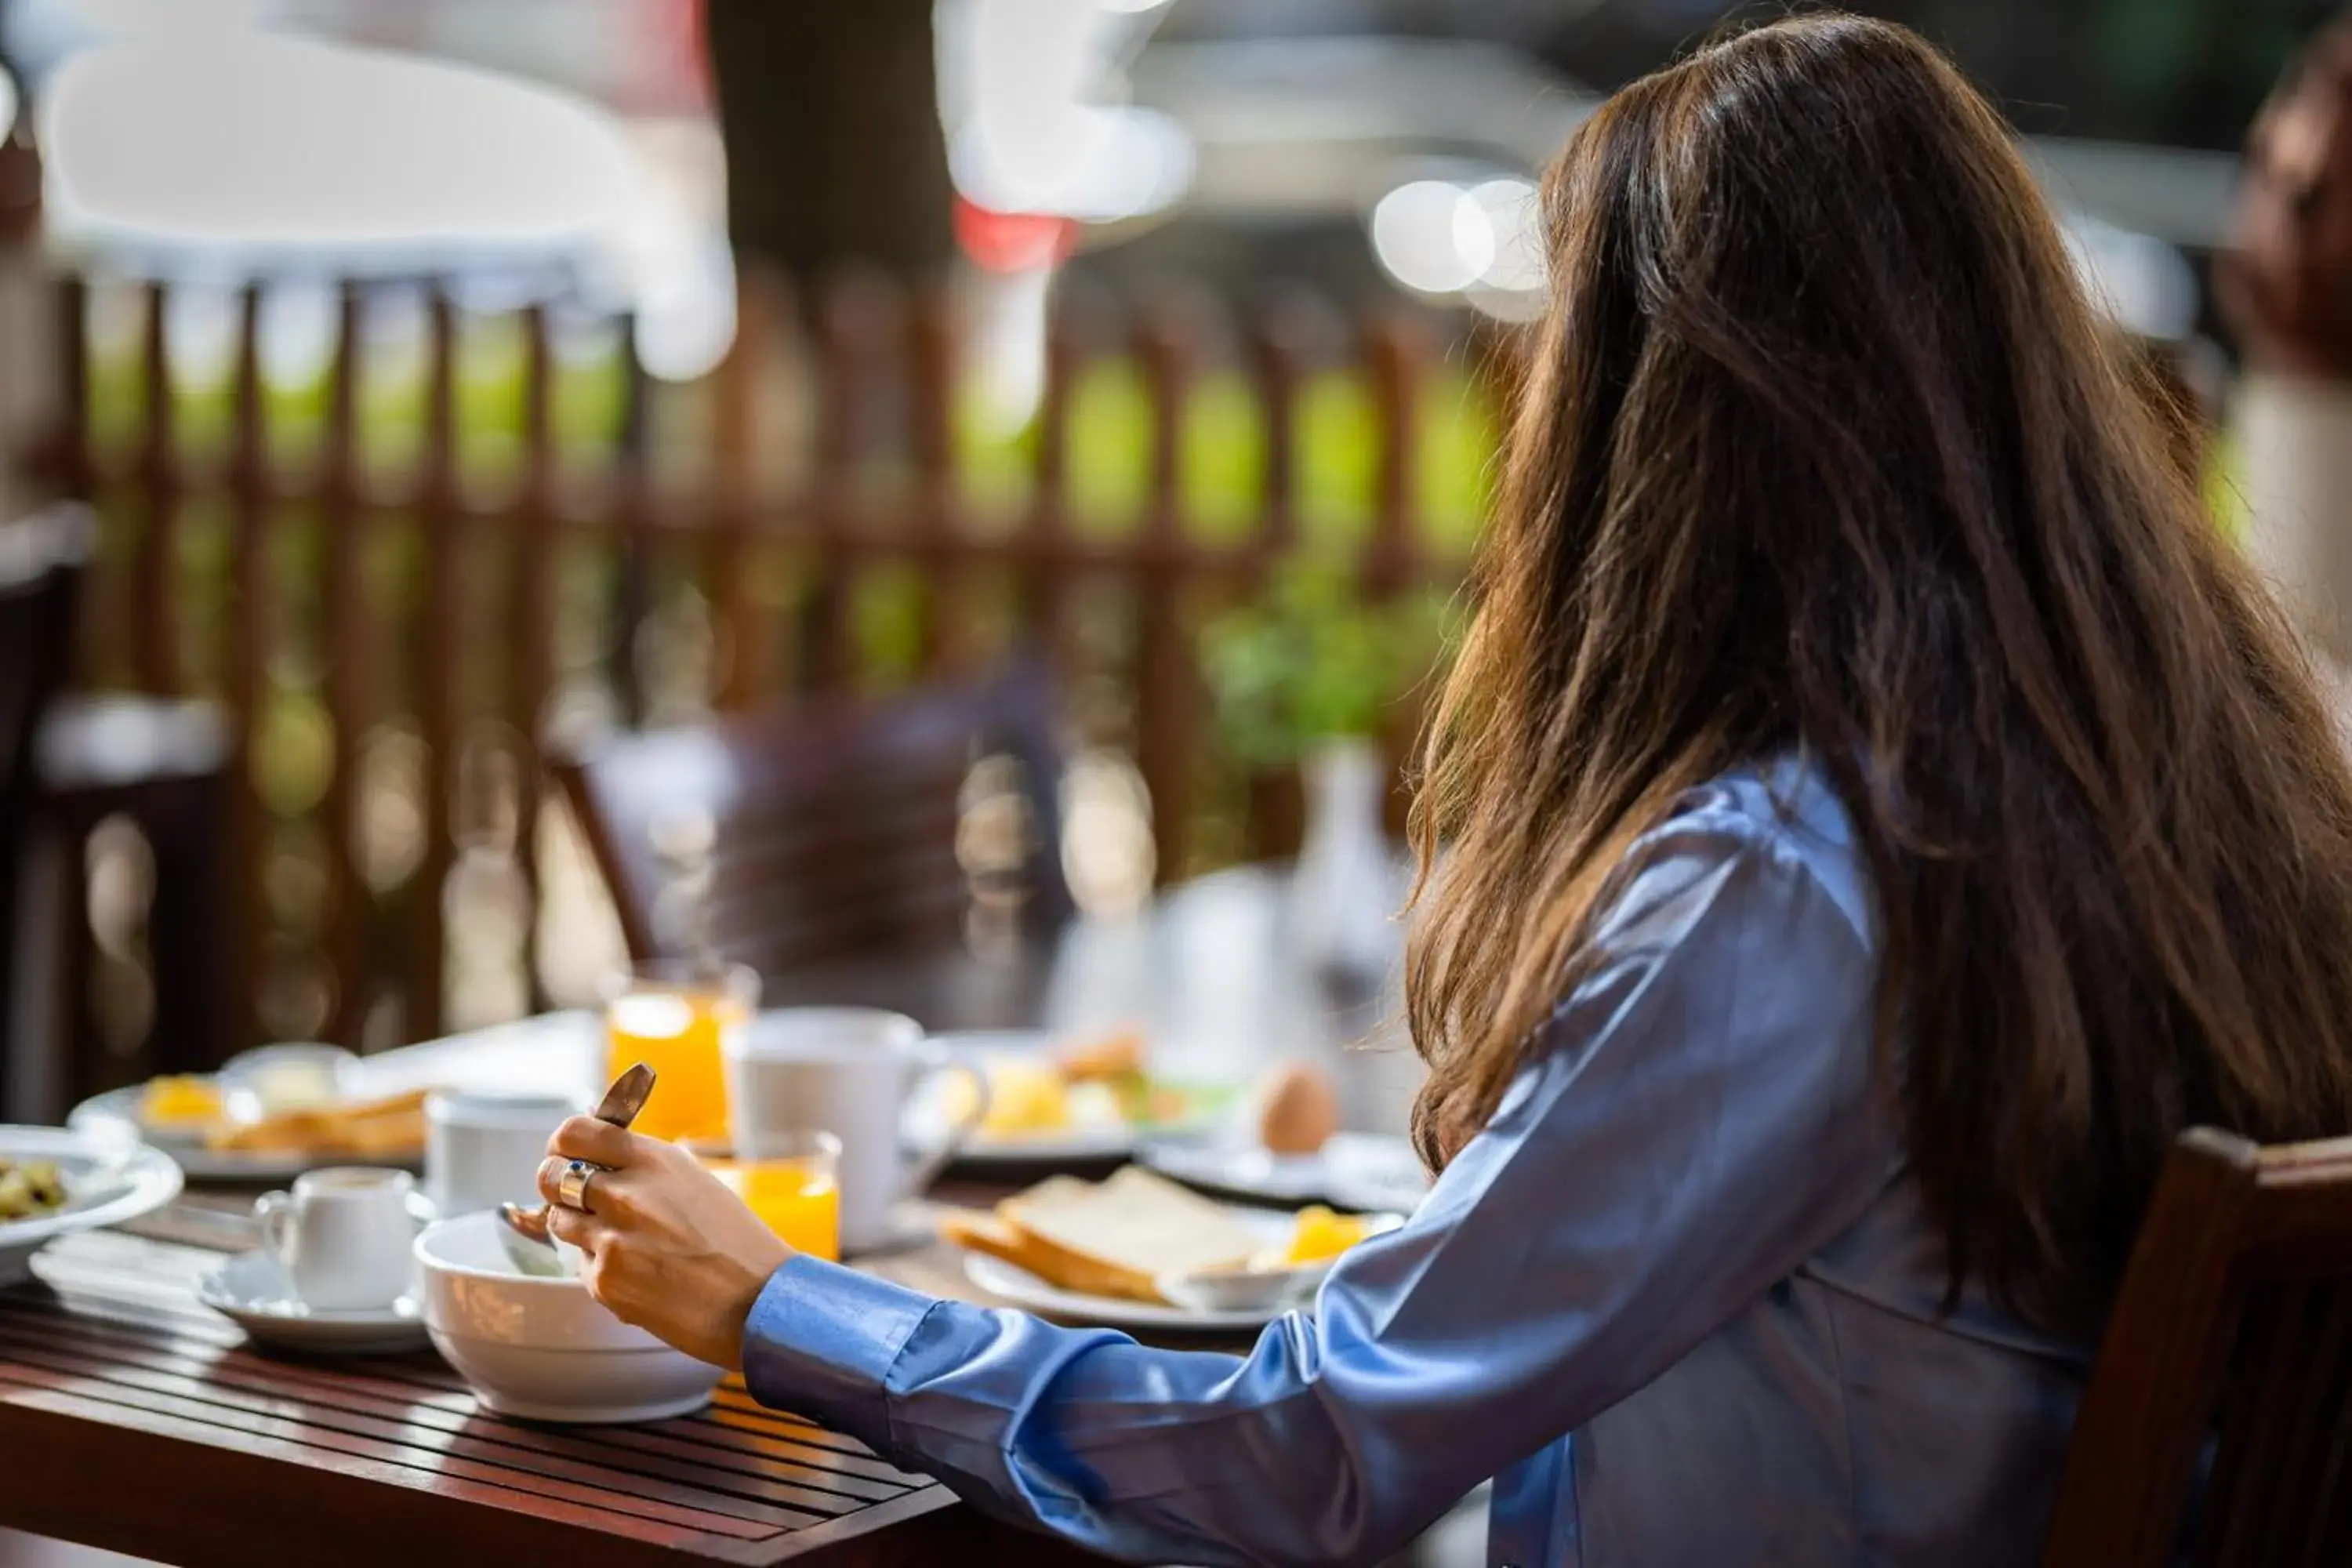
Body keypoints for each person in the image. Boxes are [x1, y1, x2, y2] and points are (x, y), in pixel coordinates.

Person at [535, 15, 2352, 1566]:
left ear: (1669, 432)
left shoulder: (1788, 880)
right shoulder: (2181, 777)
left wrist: (775, 1302)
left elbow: (1310, 1451)